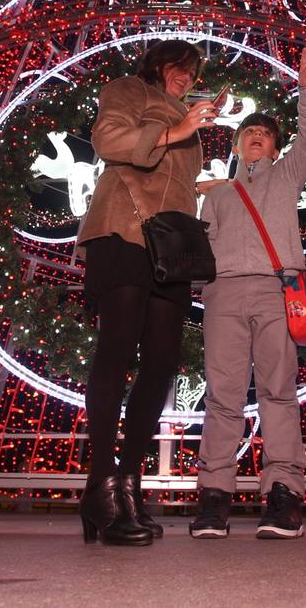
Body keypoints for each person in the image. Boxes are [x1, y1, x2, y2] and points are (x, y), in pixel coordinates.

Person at [76, 40, 219, 546]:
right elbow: (109, 139)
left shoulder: (185, 114)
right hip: (124, 226)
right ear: (161, 64)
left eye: (193, 71)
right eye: (182, 67)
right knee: (117, 346)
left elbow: (176, 176)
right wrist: (176, 129)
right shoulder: (129, 88)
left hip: (171, 242)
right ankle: (101, 481)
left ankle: (128, 481)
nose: (187, 77)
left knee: (161, 360)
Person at [189, 49, 306, 540]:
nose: (255, 138)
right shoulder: (219, 192)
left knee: (278, 392)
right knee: (222, 397)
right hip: (224, 294)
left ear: (274, 147)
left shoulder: (288, 176)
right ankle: (214, 497)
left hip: (275, 291)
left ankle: (284, 495)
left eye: (264, 134)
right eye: (248, 132)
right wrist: (199, 287)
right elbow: (201, 246)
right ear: (237, 142)